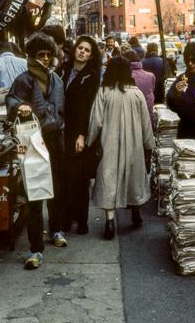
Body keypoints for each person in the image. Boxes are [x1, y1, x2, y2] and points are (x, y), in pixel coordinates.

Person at [6, 32, 67, 270]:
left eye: (47, 54)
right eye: (40, 54)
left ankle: (56, 229)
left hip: (55, 139)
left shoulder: (58, 80)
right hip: (32, 140)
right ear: (31, 56)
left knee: (57, 189)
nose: (44, 59)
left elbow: (64, 109)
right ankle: (35, 249)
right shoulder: (23, 80)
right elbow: (10, 100)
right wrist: (18, 106)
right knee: (34, 193)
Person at [87, 57, 156, 240]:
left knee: (108, 180)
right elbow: (146, 123)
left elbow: (96, 121)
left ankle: (109, 221)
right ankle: (135, 213)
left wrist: (89, 141)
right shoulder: (137, 93)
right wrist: (149, 145)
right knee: (134, 178)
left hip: (108, 143)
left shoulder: (104, 92)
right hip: (134, 144)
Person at [61, 35, 102, 234]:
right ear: (75, 49)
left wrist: (82, 135)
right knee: (66, 178)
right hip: (62, 129)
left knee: (80, 178)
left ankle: (82, 221)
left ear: (90, 55)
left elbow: (88, 108)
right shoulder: (64, 70)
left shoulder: (92, 76)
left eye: (86, 50)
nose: (82, 52)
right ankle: (67, 218)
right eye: (80, 48)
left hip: (79, 132)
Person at [122, 50, 155, 123]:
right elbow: (152, 90)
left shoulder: (124, 77)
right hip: (147, 112)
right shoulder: (151, 76)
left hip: (130, 115)